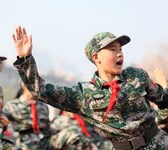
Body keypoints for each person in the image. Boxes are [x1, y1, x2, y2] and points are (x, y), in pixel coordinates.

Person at [12, 26, 168, 150]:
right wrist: (25, 59)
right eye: (113, 50)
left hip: (159, 143)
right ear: (96, 57)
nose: (119, 54)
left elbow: (164, 100)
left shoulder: (137, 76)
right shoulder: (84, 95)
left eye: (120, 49)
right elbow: (40, 90)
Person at [3, 81, 51, 150]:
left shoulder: (43, 107)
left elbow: (47, 130)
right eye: (34, 86)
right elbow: (2, 128)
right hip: (20, 146)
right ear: (24, 85)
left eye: (39, 86)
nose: (37, 89)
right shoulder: (11, 106)